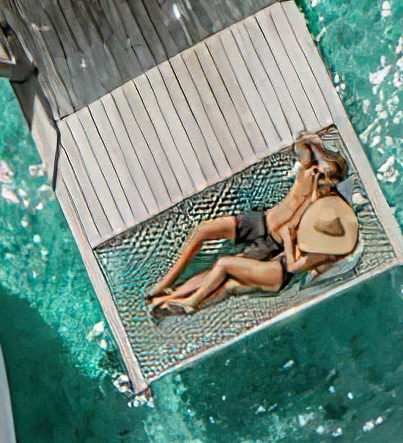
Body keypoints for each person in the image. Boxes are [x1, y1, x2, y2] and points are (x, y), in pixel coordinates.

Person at [147, 132, 359, 317]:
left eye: (328, 176)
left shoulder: (323, 204)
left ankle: (172, 298)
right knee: (203, 230)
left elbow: (302, 236)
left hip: (272, 244)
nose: (322, 175)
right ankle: (165, 284)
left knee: (222, 271)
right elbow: (300, 146)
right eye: (322, 168)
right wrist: (316, 144)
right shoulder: (306, 171)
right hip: (262, 220)